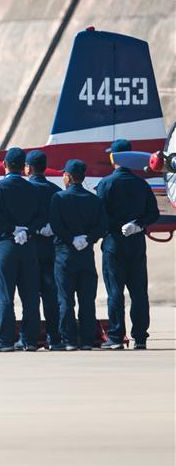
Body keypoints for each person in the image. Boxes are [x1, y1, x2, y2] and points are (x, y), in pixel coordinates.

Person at [96, 139, 160, 350]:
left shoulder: (106, 183)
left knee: (115, 292)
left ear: (114, 157)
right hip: (136, 243)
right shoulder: (141, 184)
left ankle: (116, 336)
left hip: (114, 243)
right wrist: (137, 224)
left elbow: (100, 217)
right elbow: (153, 213)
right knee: (139, 292)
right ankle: (140, 337)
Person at [0, 147, 44, 352]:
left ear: (4, 164)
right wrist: (27, 231)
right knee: (30, 297)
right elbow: (41, 216)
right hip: (28, 245)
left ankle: (5, 340)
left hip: (6, 245)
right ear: (23, 167)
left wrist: (12, 229)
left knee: (5, 297)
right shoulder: (34, 189)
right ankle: (29, 340)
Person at [49, 159, 107, 350]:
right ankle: (88, 340)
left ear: (69, 176)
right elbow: (102, 226)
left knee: (65, 300)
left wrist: (70, 239)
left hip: (65, 255)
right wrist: (88, 239)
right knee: (86, 300)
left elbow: (56, 225)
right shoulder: (94, 200)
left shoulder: (59, 198)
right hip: (86, 256)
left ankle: (69, 340)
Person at [24, 150, 63, 350]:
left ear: (28, 168)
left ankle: (30, 339)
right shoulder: (55, 190)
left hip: (29, 250)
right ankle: (55, 338)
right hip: (51, 249)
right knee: (51, 297)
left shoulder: (25, 189)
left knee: (30, 297)